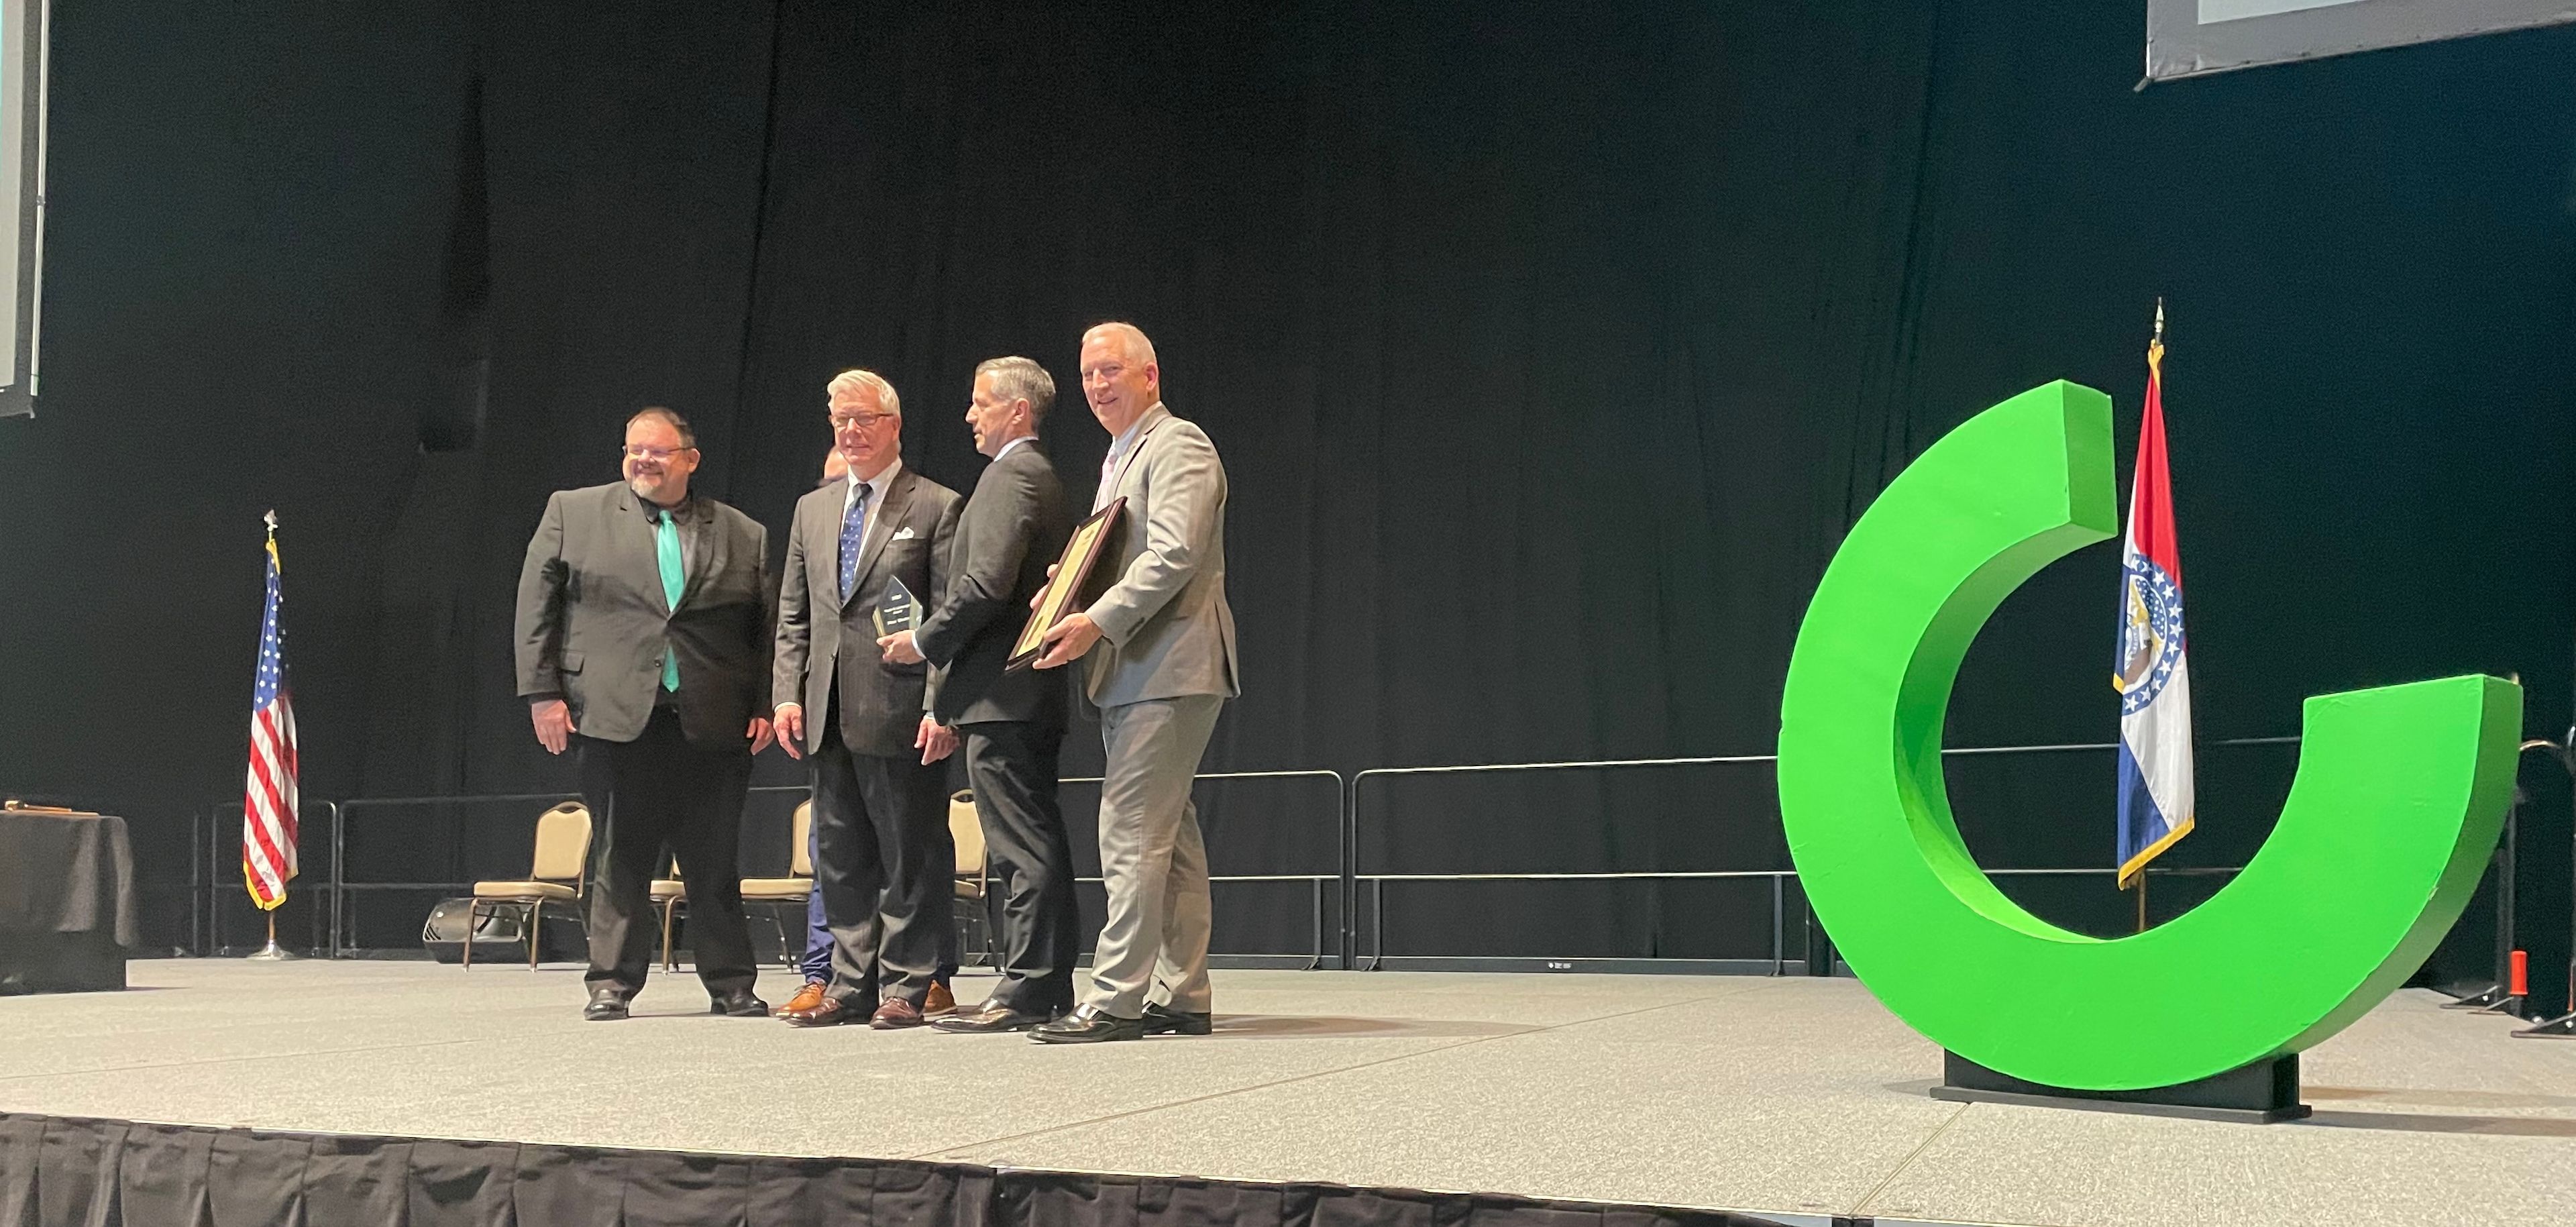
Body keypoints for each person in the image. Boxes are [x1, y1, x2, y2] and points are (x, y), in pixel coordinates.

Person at [513, 407, 775, 1022]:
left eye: (658, 451)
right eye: (635, 449)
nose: (643, 461)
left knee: (715, 859)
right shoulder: (573, 512)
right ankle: (611, 982)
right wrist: (542, 693)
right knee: (618, 855)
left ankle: (732, 984)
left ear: (690, 458)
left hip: (712, 717)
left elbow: (765, 630)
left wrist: (765, 703)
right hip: (611, 713)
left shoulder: (743, 532)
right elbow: (536, 607)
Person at [1027, 323, 1238, 1044]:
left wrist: (1094, 617)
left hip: (1169, 659)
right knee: (1169, 837)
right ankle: (1183, 993)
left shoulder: (1178, 442)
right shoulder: (1120, 454)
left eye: (1111, 369)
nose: (1096, 384)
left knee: (1131, 829)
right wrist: (1070, 583)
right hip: (1138, 663)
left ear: (1151, 374)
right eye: (1087, 373)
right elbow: (1125, 548)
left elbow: (1176, 549)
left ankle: (1116, 997)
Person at [879, 356, 1077, 1032]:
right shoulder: (1029, 475)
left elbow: (986, 584)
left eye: (980, 403)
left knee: (1022, 843)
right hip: (1018, 692)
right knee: (1033, 836)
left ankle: (1027, 986)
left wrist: (923, 642)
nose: (969, 415)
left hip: (1005, 692)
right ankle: (1043, 983)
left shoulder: (1012, 475)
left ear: (1016, 411)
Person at [771, 369, 963, 1029]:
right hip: (824, 708)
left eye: (863, 419)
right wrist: (786, 696)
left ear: (894, 424)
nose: (850, 430)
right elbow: (794, 617)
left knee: (910, 854)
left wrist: (942, 706)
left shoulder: (936, 505)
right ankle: (849, 984)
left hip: (902, 708)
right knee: (841, 854)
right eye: (839, 420)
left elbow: (949, 618)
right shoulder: (813, 508)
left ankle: (908, 983)